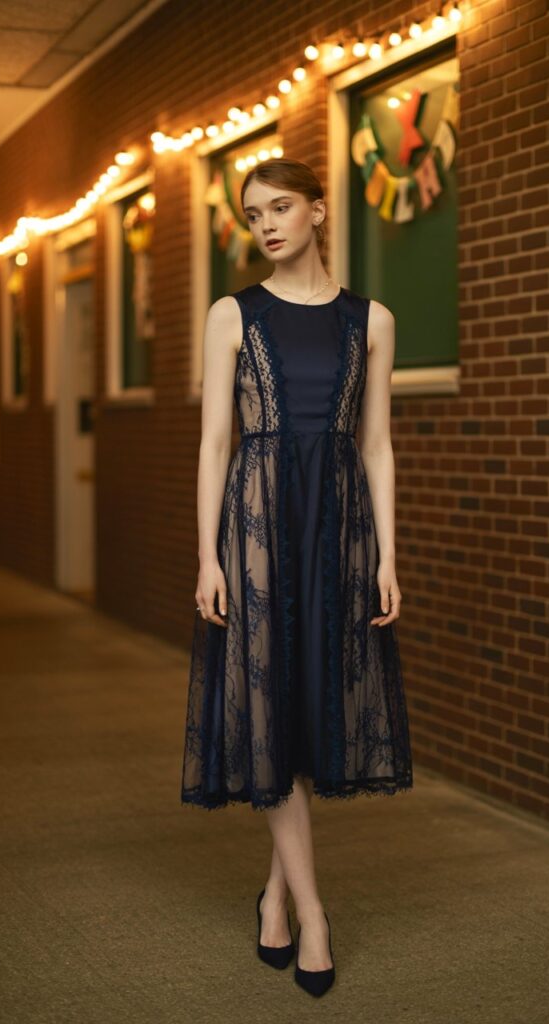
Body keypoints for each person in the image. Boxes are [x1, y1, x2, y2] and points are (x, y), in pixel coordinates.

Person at [181, 157, 413, 997]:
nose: (266, 225)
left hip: (341, 522)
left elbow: (377, 443)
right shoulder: (231, 314)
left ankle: (274, 894)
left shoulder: (371, 320)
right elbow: (216, 443)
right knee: (270, 702)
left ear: (320, 210)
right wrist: (208, 556)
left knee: (316, 703)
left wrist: (389, 553)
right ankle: (313, 914)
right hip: (258, 526)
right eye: (252, 215)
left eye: (281, 207)